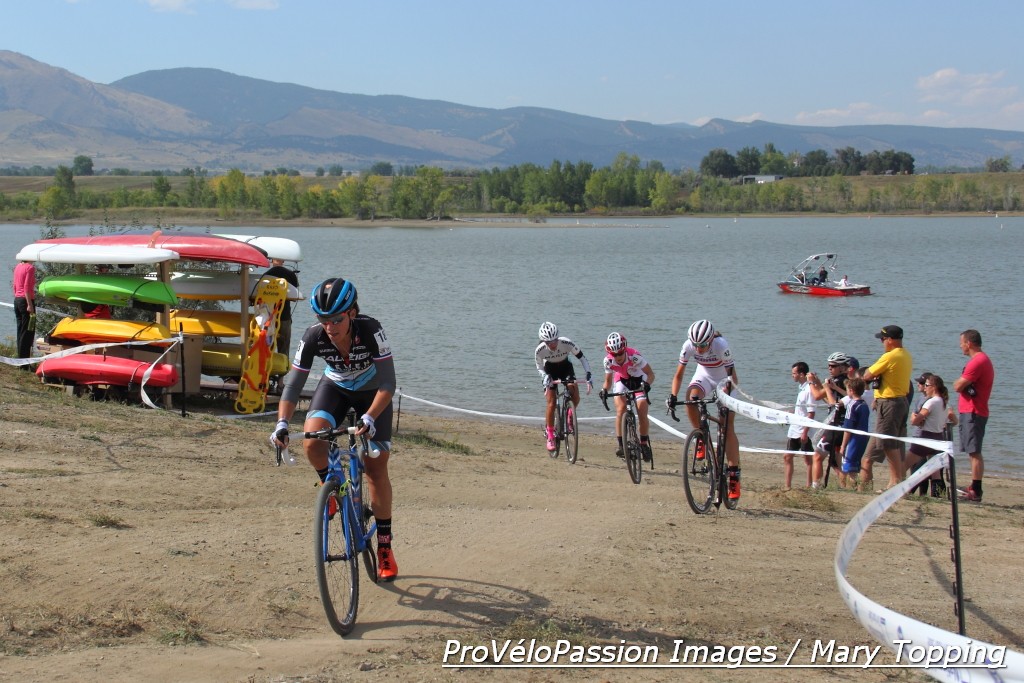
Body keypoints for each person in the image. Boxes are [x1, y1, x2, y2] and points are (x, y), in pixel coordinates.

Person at [269, 277, 399, 581]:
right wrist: (282, 423)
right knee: (312, 442)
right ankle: (330, 486)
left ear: (352, 313)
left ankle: (384, 547)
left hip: (373, 393)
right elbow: (293, 386)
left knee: (375, 468)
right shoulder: (313, 336)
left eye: (337, 319)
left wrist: (370, 417)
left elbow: (389, 383)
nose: (329, 326)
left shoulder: (371, 329)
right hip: (336, 388)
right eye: (323, 319)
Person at [667, 319, 741, 500]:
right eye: (695, 345)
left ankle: (734, 476)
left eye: (702, 345)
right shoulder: (688, 346)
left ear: (710, 340)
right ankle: (701, 436)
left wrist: (725, 396)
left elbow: (733, 378)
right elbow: (679, 375)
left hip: (725, 381)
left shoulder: (720, 345)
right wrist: (673, 396)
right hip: (704, 376)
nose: (698, 349)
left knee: (727, 427)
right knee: (691, 398)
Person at [860, 325, 913, 492]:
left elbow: (867, 375)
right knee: (895, 442)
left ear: (890, 340)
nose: (882, 342)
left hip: (890, 402)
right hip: (901, 401)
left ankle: (896, 481)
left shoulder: (890, 356)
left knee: (888, 443)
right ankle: (896, 481)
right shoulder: (906, 355)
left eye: (883, 339)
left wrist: (875, 373)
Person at [535, 322, 592, 452]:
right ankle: (550, 435)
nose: (553, 344)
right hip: (549, 370)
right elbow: (539, 367)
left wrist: (588, 373)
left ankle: (570, 414)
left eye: (554, 340)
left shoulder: (566, 342)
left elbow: (582, 358)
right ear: (543, 341)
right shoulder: (539, 350)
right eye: (549, 342)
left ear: (558, 337)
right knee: (551, 402)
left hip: (566, 367)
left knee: (575, 393)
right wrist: (545, 377)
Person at [953, 329, 994, 503]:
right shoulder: (980, 360)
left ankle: (976, 491)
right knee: (972, 451)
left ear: (969, 343)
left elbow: (958, 386)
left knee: (974, 451)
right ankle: (974, 486)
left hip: (974, 411)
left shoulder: (977, 361)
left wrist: (959, 383)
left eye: (961, 343)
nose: (960, 346)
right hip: (972, 410)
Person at [599, 332, 655, 461]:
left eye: (620, 353)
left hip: (639, 380)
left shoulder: (634, 356)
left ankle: (644, 444)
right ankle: (621, 445)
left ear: (624, 349)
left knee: (642, 409)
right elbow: (608, 382)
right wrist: (604, 390)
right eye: (614, 354)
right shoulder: (608, 361)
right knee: (620, 409)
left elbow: (651, 374)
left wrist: (647, 385)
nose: (618, 357)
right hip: (622, 380)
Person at [907, 374, 954, 498]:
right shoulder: (944, 402)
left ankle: (900, 491)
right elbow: (953, 420)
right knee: (935, 472)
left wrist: (915, 418)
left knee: (903, 465)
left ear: (934, 387)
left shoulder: (931, 402)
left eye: (927, 385)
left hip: (926, 437)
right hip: (938, 438)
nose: (925, 387)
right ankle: (937, 497)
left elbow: (915, 421)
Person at [808, 352, 850, 488]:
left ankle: (816, 486)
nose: (829, 368)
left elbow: (817, 396)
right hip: (841, 424)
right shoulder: (844, 381)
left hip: (836, 425)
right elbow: (828, 399)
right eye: (829, 366)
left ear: (842, 367)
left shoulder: (838, 381)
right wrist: (818, 382)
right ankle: (845, 486)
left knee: (817, 456)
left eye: (833, 366)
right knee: (835, 460)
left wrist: (810, 382)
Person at [784, 361, 815, 489]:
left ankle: (809, 486)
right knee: (787, 457)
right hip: (794, 429)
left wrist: (805, 432)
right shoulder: (801, 387)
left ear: (801, 374)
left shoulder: (809, 390)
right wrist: (791, 413)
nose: (792, 375)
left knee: (807, 460)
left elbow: (811, 413)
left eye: (794, 373)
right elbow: (802, 410)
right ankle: (787, 486)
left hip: (803, 430)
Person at [262, 258, 300, 358]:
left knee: (267, 348)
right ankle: (283, 366)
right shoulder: (290, 274)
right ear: (283, 261)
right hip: (284, 315)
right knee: (284, 349)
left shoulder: (266, 275)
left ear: (271, 260)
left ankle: (267, 365)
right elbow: (295, 297)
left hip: (268, 316)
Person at [840, 378, 871, 489]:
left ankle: (850, 488)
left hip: (853, 440)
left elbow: (848, 428)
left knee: (849, 467)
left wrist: (843, 445)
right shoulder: (864, 405)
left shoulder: (852, 405)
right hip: (863, 438)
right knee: (856, 465)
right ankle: (858, 487)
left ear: (851, 390)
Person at [12, 258, 36, 359]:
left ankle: (20, 359)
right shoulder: (30, 268)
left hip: (17, 299)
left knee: (20, 330)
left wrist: (17, 296)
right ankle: (24, 361)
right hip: (26, 300)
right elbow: (26, 287)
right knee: (27, 331)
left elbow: (15, 285)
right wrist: (29, 304)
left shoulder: (18, 266)